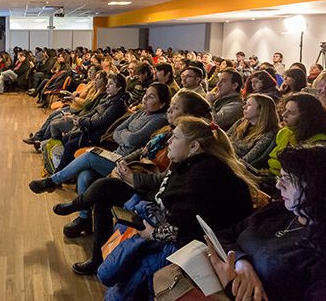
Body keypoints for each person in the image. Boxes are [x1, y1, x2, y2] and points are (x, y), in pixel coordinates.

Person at [48, 91, 214, 275]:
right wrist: (123, 163)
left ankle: (72, 202)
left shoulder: (187, 146)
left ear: (189, 116)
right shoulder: (168, 133)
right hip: (138, 173)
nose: (169, 111)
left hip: (150, 193)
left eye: (175, 108)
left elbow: (162, 182)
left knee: (95, 174)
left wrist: (132, 178)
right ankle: (94, 247)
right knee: (92, 181)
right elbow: (139, 148)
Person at [207, 146, 326, 301]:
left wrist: (230, 287)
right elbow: (224, 235)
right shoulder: (281, 210)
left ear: (320, 187)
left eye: (287, 180)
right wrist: (241, 262)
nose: (277, 185)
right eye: (279, 178)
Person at [96, 116, 255, 300]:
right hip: (186, 240)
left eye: (176, 137)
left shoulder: (204, 173)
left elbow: (180, 227)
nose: (169, 141)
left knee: (128, 282)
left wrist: (152, 234)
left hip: (192, 250)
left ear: (194, 146)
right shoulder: (194, 165)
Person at [28, 84, 170, 237]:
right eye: (146, 94)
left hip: (127, 165)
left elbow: (134, 139)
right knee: (85, 174)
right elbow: (117, 132)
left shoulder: (159, 120)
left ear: (162, 103)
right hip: (116, 154)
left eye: (151, 97)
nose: (145, 98)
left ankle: (53, 181)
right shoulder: (141, 113)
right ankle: (84, 219)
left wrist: (127, 136)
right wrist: (126, 137)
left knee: (89, 156)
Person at [54, 73, 128, 172]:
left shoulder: (117, 104)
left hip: (97, 135)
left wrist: (81, 121)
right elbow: (93, 112)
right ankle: (69, 168)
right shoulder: (109, 98)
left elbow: (101, 122)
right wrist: (77, 118)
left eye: (110, 84)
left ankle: (60, 173)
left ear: (119, 88)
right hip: (90, 129)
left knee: (69, 144)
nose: (107, 86)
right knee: (66, 138)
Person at [267, 93, 326, 176]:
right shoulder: (284, 132)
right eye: (285, 110)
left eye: (291, 113)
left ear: (306, 118)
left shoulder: (320, 145)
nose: (284, 115)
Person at [227, 94, 279, 169]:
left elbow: (247, 160)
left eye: (249, 105)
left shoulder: (268, 134)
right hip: (225, 156)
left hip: (235, 167)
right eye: (245, 104)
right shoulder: (241, 122)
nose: (244, 107)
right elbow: (225, 137)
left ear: (261, 110)